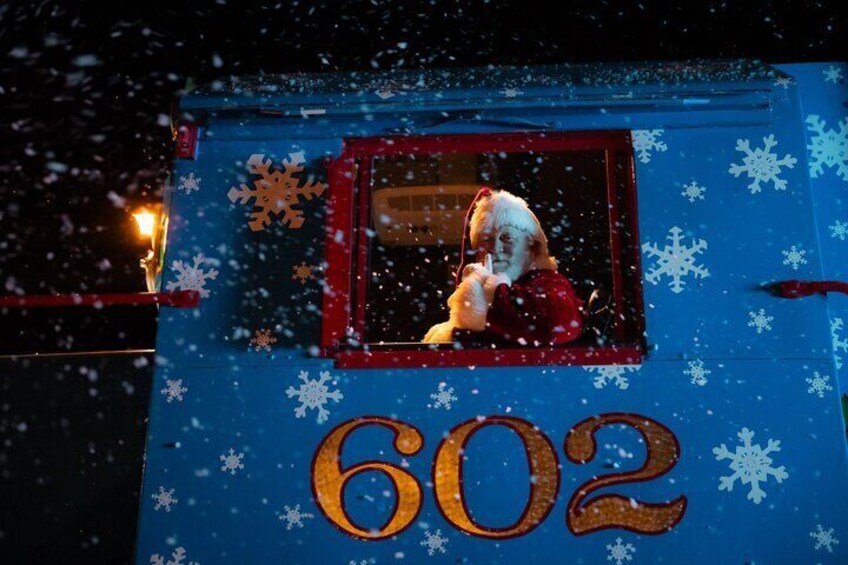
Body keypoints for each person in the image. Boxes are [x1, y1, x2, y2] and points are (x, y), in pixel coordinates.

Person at [423, 188, 584, 346]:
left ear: (531, 247)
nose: (496, 247)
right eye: (487, 239)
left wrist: (496, 291)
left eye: (507, 238)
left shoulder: (549, 282)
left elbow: (554, 325)